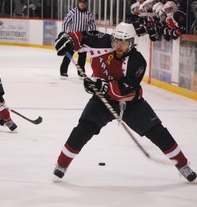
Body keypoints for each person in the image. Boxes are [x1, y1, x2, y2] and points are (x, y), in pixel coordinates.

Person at [53, 22, 197, 182]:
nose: (118, 45)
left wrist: (101, 85)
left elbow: (125, 90)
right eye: (116, 41)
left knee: (158, 132)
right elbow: (82, 37)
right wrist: (67, 39)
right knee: (83, 129)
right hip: (102, 101)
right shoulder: (102, 41)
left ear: (131, 43)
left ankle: (183, 165)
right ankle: (61, 164)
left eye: (123, 42)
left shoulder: (137, 62)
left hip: (131, 104)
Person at [59, 0, 96, 78]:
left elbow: (92, 24)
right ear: (78, 3)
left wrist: (93, 33)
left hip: (83, 38)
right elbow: (65, 22)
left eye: (84, 2)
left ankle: (81, 72)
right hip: (72, 37)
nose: (82, 4)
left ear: (86, 3)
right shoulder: (72, 12)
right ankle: (63, 71)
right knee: (68, 55)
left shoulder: (88, 14)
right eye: (81, 2)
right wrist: (64, 33)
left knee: (82, 56)